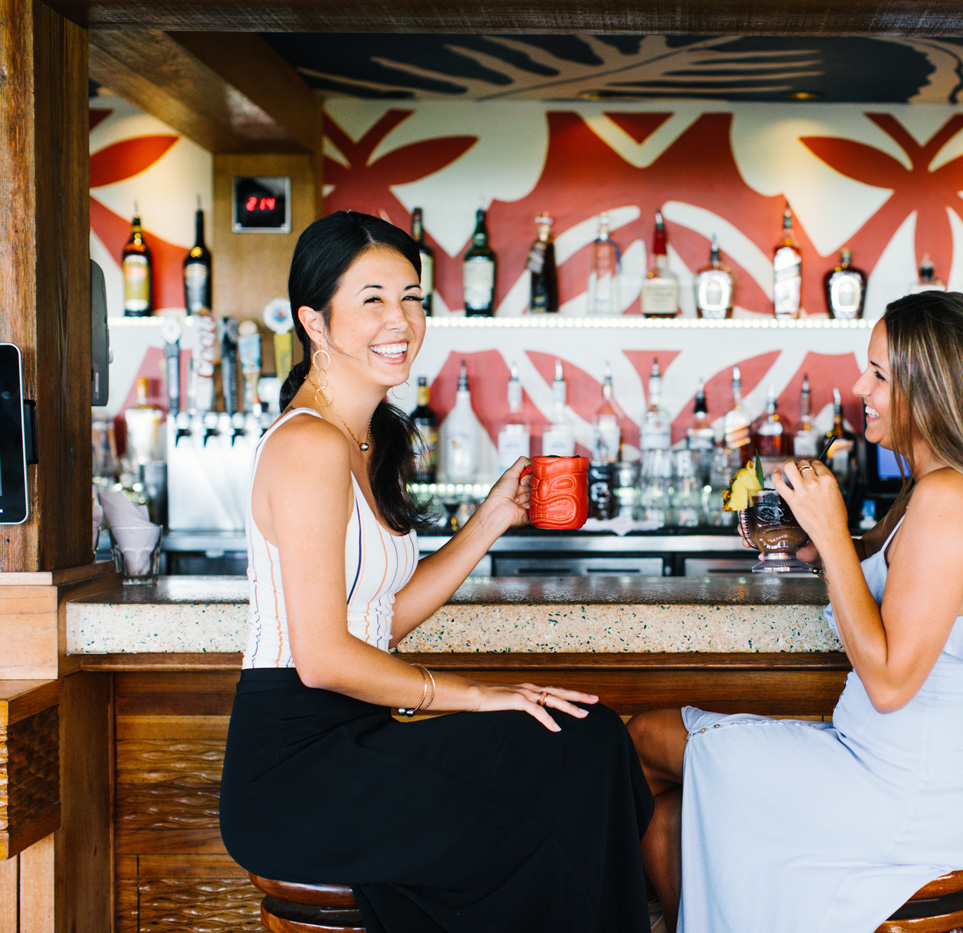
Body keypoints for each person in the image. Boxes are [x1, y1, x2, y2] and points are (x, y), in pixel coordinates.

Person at [218, 210, 653, 933]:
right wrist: (475, 697)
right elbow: (323, 658)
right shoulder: (309, 446)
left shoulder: (365, 437)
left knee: (590, 739)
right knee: (548, 804)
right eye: (373, 298)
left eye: (413, 297)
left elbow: (378, 620)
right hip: (296, 770)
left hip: (355, 740)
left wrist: (489, 519)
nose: (402, 318)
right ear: (315, 323)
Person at [627, 292, 963, 933]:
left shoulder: (949, 498)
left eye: (880, 374)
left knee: (642, 740)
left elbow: (890, 683)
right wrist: (818, 546)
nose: (860, 385)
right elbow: (884, 588)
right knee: (671, 817)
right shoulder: (939, 486)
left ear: (934, 390)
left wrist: (834, 535)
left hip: (905, 795)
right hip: (888, 771)